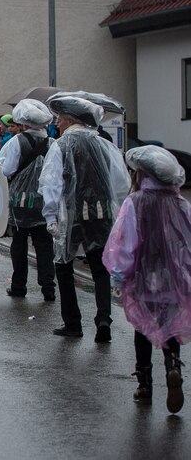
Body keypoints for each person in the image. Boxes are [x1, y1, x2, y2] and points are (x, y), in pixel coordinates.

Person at [104, 146, 189, 413]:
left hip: (144, 277)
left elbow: (125, 242)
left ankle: (144, 384)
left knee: (142, 327)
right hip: (173, 279)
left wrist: (118, 275)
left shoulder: (135, 201)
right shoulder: (181, 203)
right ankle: (173, 364)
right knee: (170, 326)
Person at [39, 95, 130, 342]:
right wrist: (115, 209)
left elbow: (52, 183)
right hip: (101, 213)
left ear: (70, 119)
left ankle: (73, 323)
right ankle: (103, 319)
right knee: (100, 268)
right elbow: (120, 183)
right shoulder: (104, 144)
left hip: (71, 215)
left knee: (64, 266)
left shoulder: (61, 145)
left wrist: (50, 216)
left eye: (59, 119)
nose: (56, 124)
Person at [0, 99, 56, 301]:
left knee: (19, 244)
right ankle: (48, 287)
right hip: (44, 202)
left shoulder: (16, 142)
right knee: (45, 245)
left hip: (20, 202)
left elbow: (6, 169)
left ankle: (19, 286)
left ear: (23, 123)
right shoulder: (52, 144)